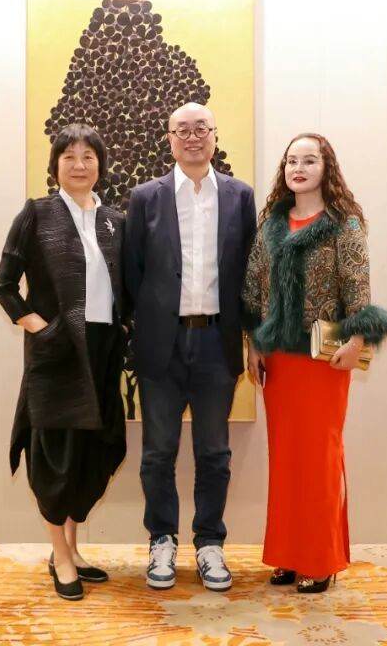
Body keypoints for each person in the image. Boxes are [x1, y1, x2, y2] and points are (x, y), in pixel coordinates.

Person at [243, 133, 387, 593]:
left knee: (319, 459)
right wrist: (253, 343)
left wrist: (358, 338)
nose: (299, 168)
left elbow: (359, 291)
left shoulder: (344, 224)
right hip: (278, 363)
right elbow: (253, 289)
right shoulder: (270, 224)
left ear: (326, 168)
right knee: (286, 460)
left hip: (323, 359)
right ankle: (289, 554)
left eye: (309, 160)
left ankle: (319, 558)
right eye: (292, 161)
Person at [124, 102, 256, 592]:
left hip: (217, 343)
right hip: (162, 343)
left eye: (202, 128)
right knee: (158, 452)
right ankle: (161, 539)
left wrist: (253, 338)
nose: (193, 137)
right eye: (183, 129)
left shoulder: (239, 196)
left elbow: (249, 274)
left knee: (214, 452)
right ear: (170, 139)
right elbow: (131, 272)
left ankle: (209, 543)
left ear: (215, 136)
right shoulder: (146, 197)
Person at [0, 124, 126, 601]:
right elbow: (4, 285)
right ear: (55, 166)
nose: (79, 164)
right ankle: (60, 554)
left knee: (90, 452)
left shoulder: (115, 220)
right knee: (55, 455)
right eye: (69, 156)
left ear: (100, 165)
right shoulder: (37, 213)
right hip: (57, 352)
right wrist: (40, 328)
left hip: (102, 350)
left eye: (88, 156)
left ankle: (70, 547)